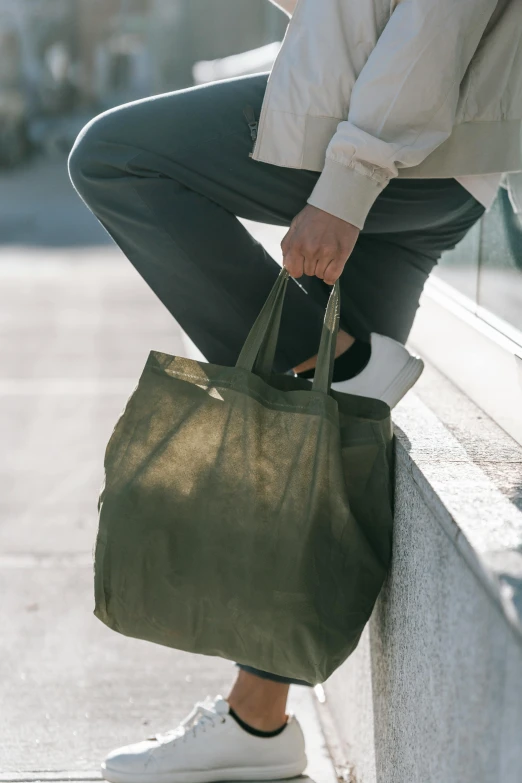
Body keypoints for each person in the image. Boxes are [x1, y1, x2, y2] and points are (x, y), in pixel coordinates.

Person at [68, 0, 522, 779]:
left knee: (115, 156)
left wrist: (345, 188)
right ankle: (259, 720)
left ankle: (336, 362)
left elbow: (435, 22)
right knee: (322, 440)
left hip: (403, 136)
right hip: (428, 148)